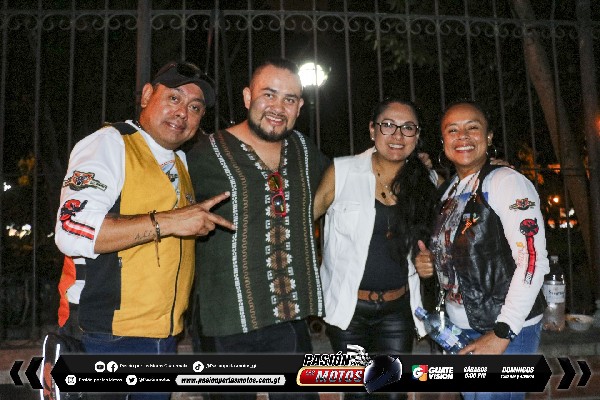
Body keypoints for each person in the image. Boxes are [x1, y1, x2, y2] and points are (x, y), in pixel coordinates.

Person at [53, 61, 235, 400]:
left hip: (163, 339)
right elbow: (70, 230)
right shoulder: (109, 143)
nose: (183, 112)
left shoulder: (180, 162)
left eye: (195, 107)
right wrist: (169, 221)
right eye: (174, 98)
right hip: (105, 337)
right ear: (148, 95)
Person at [186, 58, 327, 400]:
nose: (278, 107)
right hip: (224, 318)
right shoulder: (202, 154)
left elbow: (344, 186)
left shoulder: (304, 150)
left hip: (288, 316)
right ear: (248, 97)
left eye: (289, 99)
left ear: (299, 107)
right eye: (269, 94)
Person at [414, 100, 549, 400]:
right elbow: (465, 252)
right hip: (461, 328)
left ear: (488, 137)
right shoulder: (451, 189)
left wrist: (502, 333)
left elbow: (532, 260)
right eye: (452, 130)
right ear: (443, 141)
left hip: (504, 329)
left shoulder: (506, 182)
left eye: (472, 128)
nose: (462, 136)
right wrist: (430, 262)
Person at [313, 98, 439, 399]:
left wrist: (431, 261)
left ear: (417, 136)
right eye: (388, 125)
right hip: (349, 312)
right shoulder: (342, 172)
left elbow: (446, 231)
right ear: (372, 130)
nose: (397, 135)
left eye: (408, 128)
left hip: (397, 313)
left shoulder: (427, 181)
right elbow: (302, 224)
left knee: (392, 393)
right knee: (357, 393)